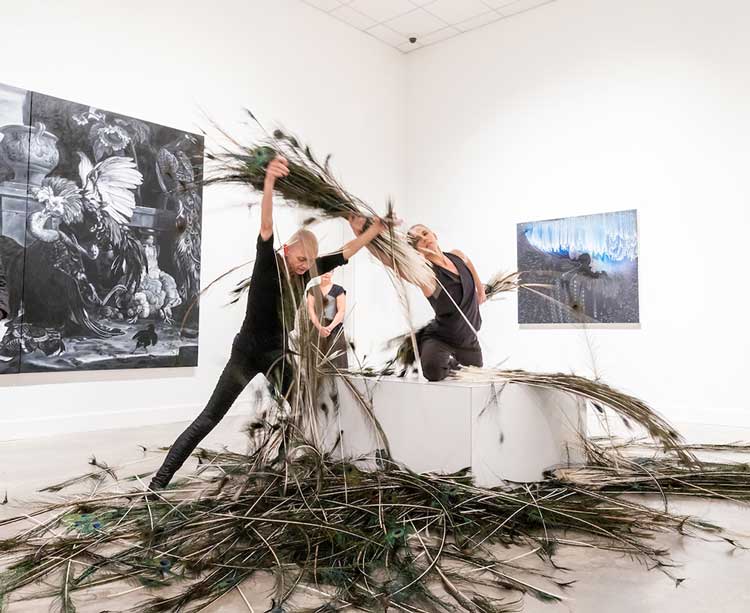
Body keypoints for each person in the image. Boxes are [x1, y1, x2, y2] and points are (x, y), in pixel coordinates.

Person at [149, 156, 386, 489]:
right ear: (287, 250)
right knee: (209, 418)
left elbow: (346, 251)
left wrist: (374, 230)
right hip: (245, 354)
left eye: (309, 261)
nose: (305, 265)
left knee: (306, 412)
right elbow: (266, 226)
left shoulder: (308, 271)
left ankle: (300, 471)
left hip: (277, 354)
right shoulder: (267, 263)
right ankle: (159, 481)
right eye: (300, 259)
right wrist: (271, 182)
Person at [353, 220, 485, 382]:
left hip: (468, 338)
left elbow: (468, 263)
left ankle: (456, 364)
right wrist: (364, 236)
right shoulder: (427, 277)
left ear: (434, 235)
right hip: (442, 337)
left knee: (476, 375)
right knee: (432, 371)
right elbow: (389, 261)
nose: (423, 239)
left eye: (425, 233)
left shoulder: (457, 255)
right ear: (415, 250)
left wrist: (480, 289)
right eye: (416, 240)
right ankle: (439, 356)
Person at [306, 271, 349, 369]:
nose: (326, 274)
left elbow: (341, 311)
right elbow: (310, 310)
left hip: (333, 327)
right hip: (315, 327)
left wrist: (329, 328)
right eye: (324, 271)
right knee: (315, 359)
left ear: (333, 273)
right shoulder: (313, 290)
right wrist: (319, 327)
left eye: (329, 271)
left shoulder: (338, 289)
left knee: (336, 360)